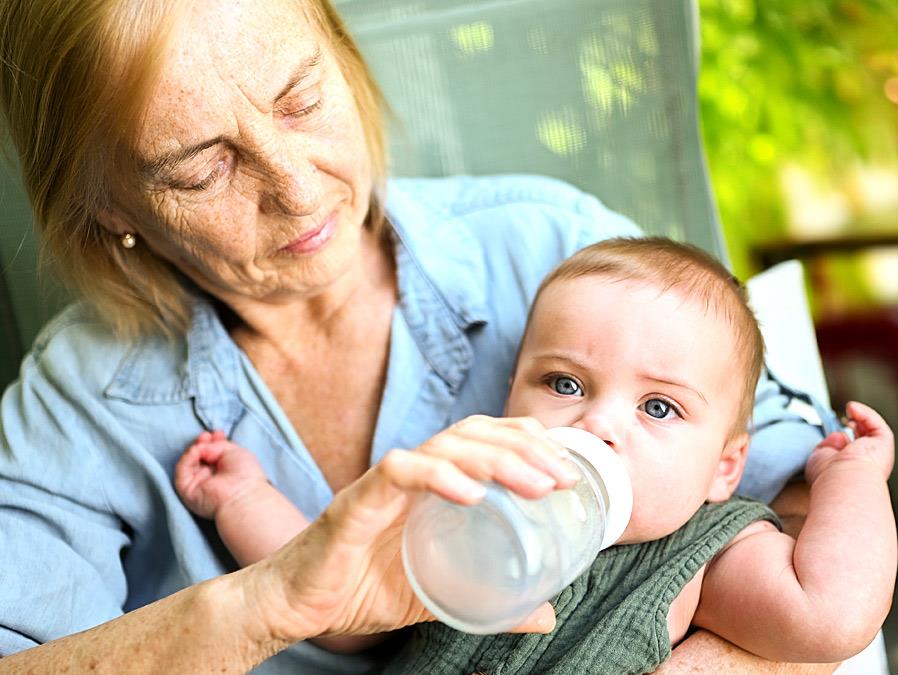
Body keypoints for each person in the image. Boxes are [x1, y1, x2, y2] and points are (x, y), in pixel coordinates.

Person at [0, 0, 845, 671]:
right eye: (200, 166)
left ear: (343, 53)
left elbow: (804, 498)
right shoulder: (80, 403)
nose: (299, 190)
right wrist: (265, 604)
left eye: (301, 99)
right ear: (107, 201)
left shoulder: (555, 252)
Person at [174, 238, 898, 671]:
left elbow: (830, 613)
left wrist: (854, 480)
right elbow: (334, 608)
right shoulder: (465, 510)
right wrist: (244, 499)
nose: (599, 423)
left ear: (722, 467)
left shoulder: (706, 558)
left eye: (658, 406)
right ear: (509, 398)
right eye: (565, 382)